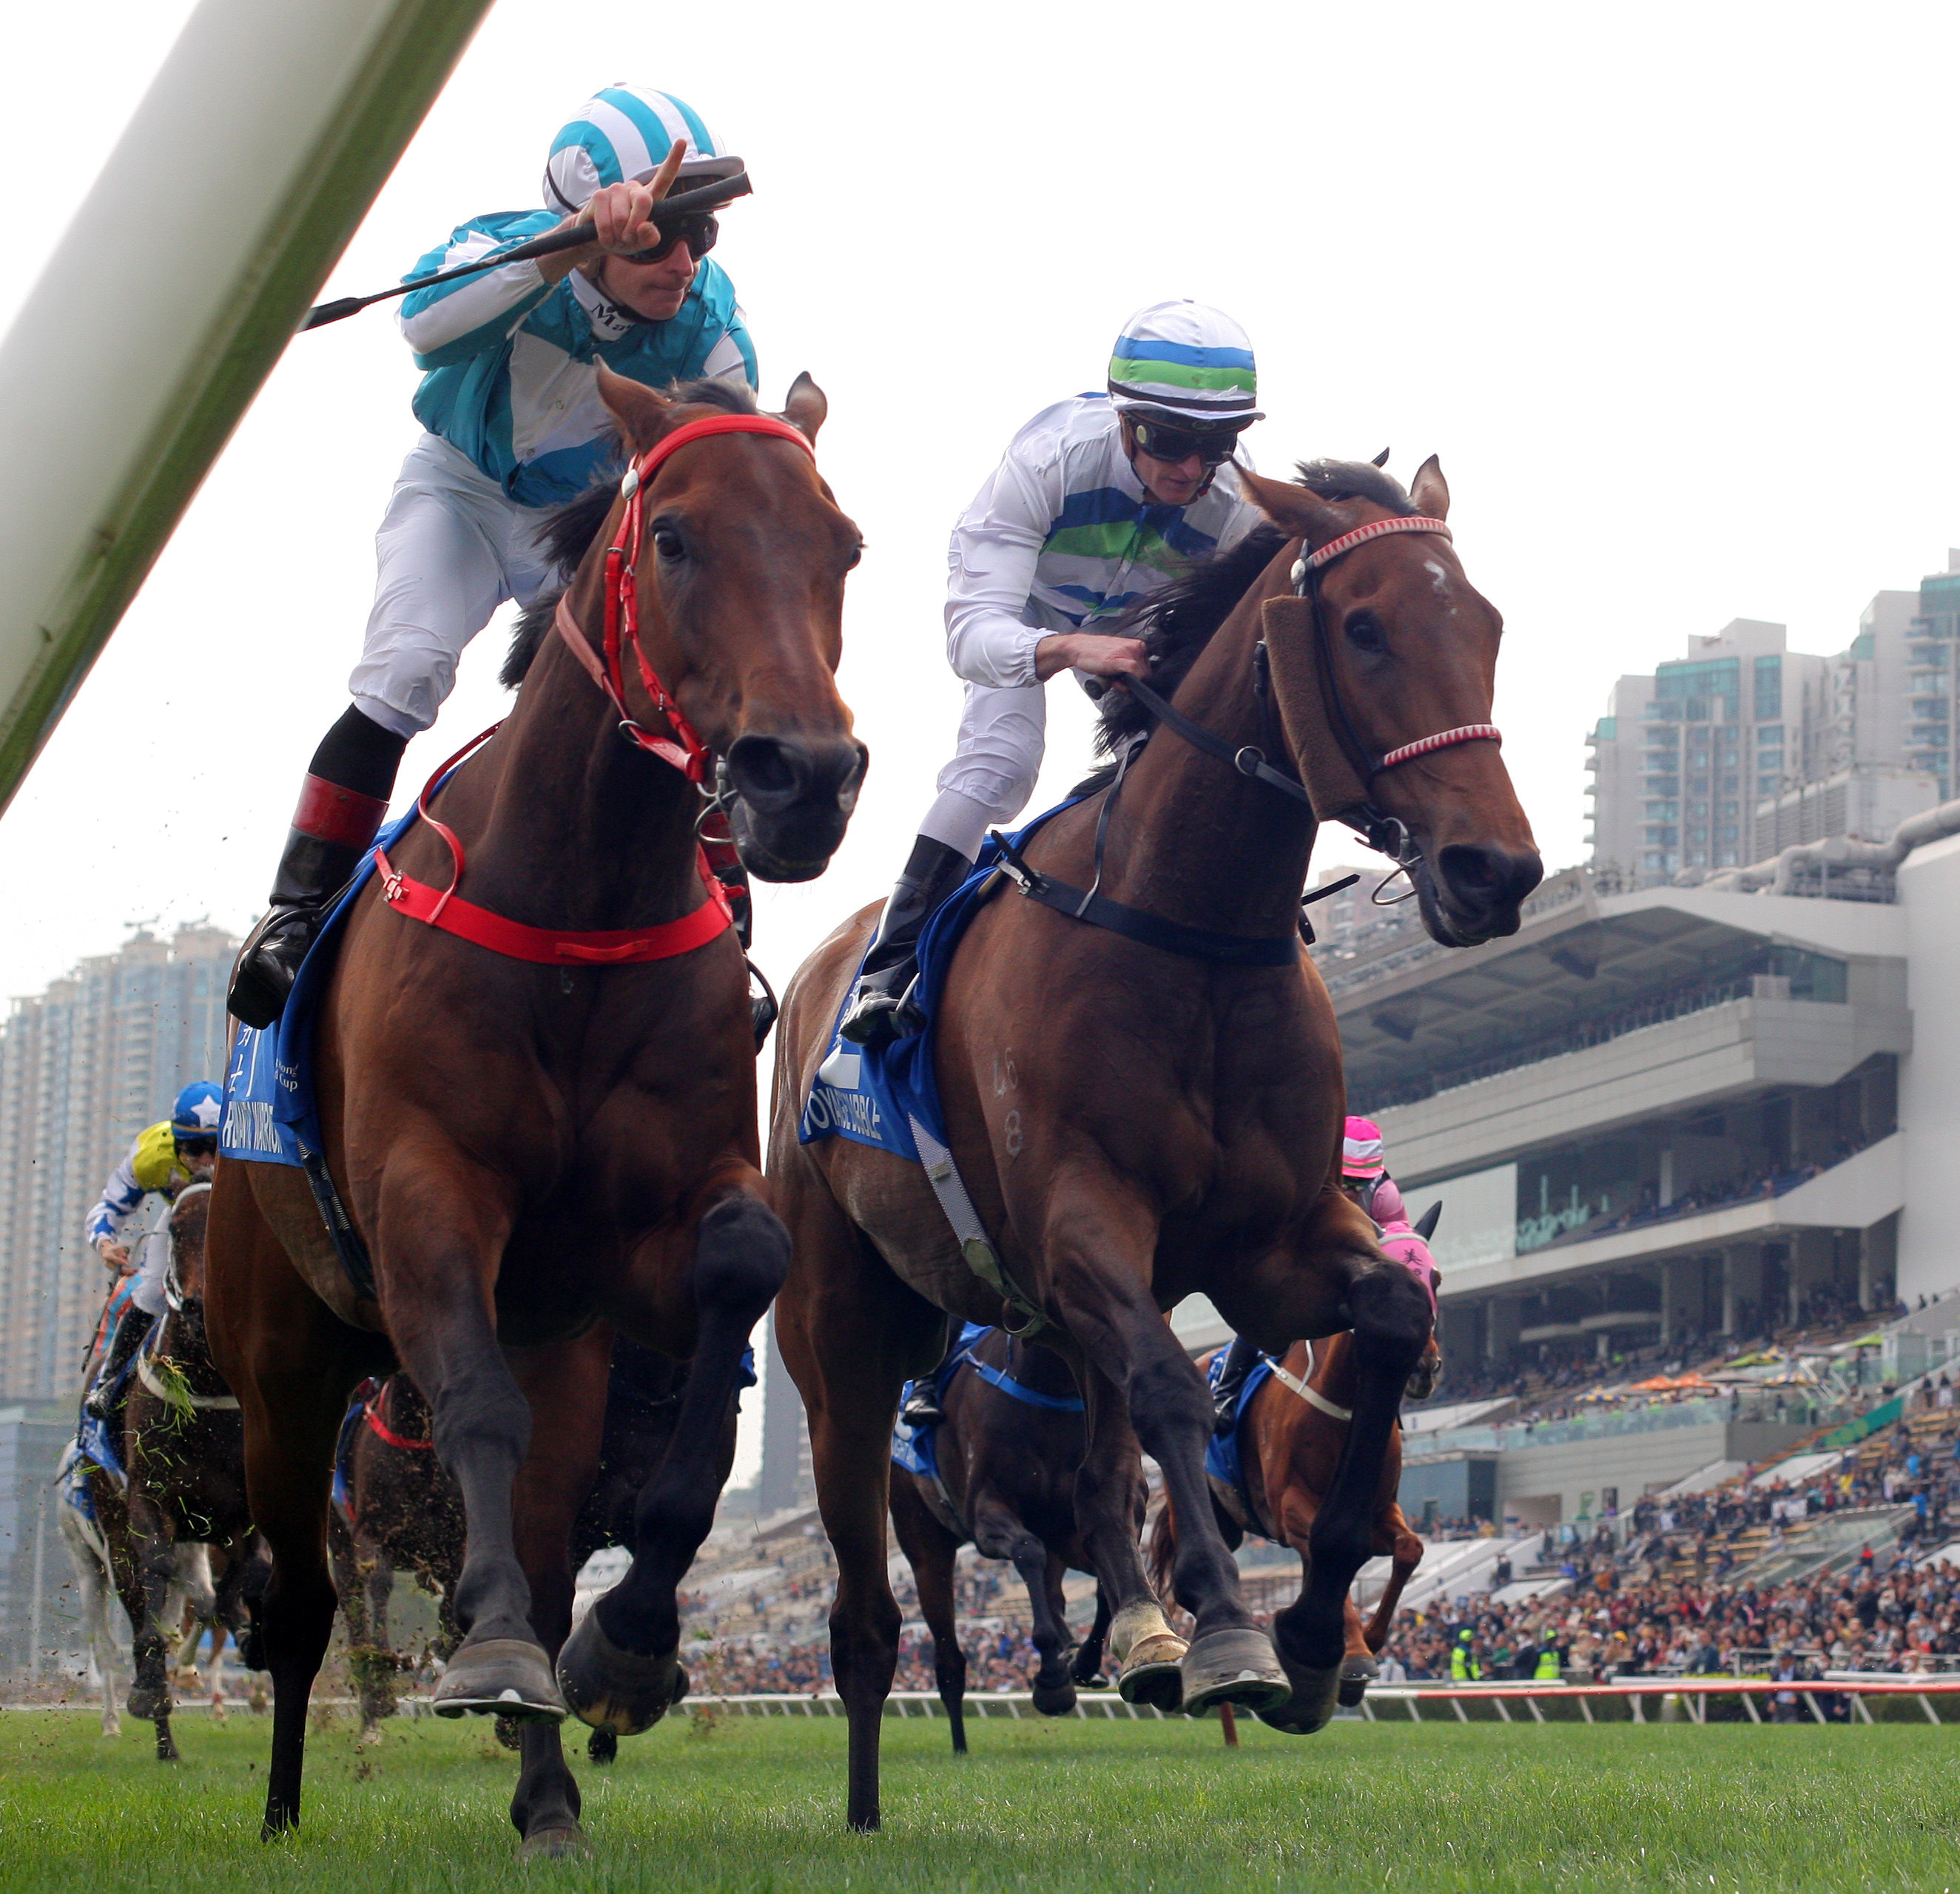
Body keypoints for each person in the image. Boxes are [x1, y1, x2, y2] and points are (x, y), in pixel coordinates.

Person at [227, 86, 758, 1029]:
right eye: (657, 236)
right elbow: (424, 329)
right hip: (461, 494)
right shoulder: (504, 245)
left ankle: (719, 902)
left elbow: (720, 466)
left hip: (580, 520)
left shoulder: (710, 321)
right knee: (409, 665)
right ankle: (295, 913)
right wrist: (569, 248)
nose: (682, 263)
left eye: (700, 236)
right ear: (588, 223)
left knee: (666, 680)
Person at [836, 300, 1266, 1045]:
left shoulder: (1235, 504)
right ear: (1126, 420)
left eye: (1217, 444)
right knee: (1001, 762)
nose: (1191, 469)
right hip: (1023, 601)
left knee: (1185, 756)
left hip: (1141, 616)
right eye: (1168, 440)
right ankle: (890, 965)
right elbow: (971, 635)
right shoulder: (1050, 459)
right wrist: (1068, 648)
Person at [1208, 1116, 1438, 1427]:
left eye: (1361, 1185)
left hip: (1356, 1266)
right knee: (1271, 1307)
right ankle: (1226, 1390)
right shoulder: (1305, 1177)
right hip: (1304, 1255)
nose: (1353, 1194)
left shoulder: (1385, 1194)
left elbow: (1398, 1246)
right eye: (1347, 1182)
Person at [79, 1082, 223, 1420]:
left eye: (215, 1146)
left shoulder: (252, 1144)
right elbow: (108, 1207)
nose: (205, 1159)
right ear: (174, 1142)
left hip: (238, 1217)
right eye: (193, 1147)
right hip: (181, 1215)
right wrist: (105, 1243)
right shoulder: (149, 1155)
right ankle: (110, 1381)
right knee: (150, 1292)